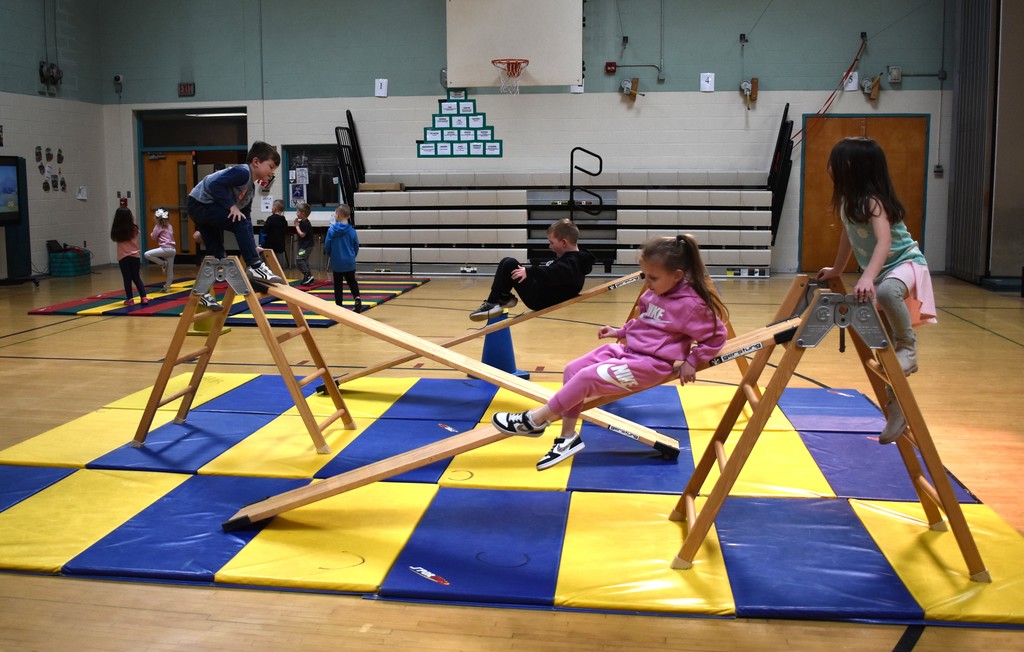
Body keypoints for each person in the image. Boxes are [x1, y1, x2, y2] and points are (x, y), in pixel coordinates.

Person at [491, 235, 729, 470]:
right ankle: (567, 438)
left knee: (586, 378)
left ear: (677, 276)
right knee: (573, 370)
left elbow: (717, 336)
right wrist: (620, 331)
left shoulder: (692, 305)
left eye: (654, 278)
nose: (648, 283)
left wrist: (692, 360)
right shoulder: (654, 292)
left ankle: (535, 420)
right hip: (628, 351)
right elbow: (645, 321)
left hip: (651, 365)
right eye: (646, 275)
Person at [816, 136, 936, 445]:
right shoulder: (847, 202)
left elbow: (884, 242)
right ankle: (896, 408)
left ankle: (909, 346)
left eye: (835, 162)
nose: (829, 167)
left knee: (884, 296)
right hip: (882, 272)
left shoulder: (873, 201)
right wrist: (837, 269)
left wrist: (868, 277)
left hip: (906, 263)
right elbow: (848, 238)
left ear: (850, 167)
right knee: (882, 347)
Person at [187, 141, 284, 311]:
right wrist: (231, 206)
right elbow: (213, 185)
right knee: (238, 221)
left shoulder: (251, 189)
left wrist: (251, 246)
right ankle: (255, 266)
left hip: (207, 207)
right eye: (270, 166)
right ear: (256, 162)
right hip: (199, 204)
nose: (272, 172)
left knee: (216, 252)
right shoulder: (242, 172)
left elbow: (246, 215)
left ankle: (201, 292)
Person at [469, 218, 595, 321]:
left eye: (552, 242)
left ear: (563, 242)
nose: (549, 246)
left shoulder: (572, 262)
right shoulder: (577, 259)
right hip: (544, 294)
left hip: (541, 298)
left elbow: (555, 272)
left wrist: (530, 272)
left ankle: (495, 301)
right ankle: (503, 297)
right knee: (508, 262)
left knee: (509, 264)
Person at [324, 204, 362, 312]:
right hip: (349, 261)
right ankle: (357, 298)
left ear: (339, 215)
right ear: (348, 216)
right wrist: (352, 255)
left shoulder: (331, 230)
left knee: (338, 284)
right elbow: (356, 245)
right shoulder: (351, 231)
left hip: (337, 262)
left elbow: (327, 245)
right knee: (352, 281)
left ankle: (339, 305)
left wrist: (331, 254)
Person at [110, 206, 149, 306]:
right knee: (136, 277)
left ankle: (130, 299)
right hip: (134, 256)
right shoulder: (134, 228)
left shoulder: (116, 230)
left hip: (123, 257)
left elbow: (114, 239)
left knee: (127, 278)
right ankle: (144, 297)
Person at [144, 207, 176, 293]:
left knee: (147, 254)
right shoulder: (170, 226)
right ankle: (167, 287)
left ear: (156, 218)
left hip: (165, 249)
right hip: (172, 250)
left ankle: (162, 263)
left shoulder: (158, 226)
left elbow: (153, 237)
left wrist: (152, 233)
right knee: (170, 271)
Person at [261, 199, 289, 266]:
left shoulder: (270, 219)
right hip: (280, 245)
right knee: (278, 263)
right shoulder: (283, 220)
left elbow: (264, 230)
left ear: (275, 207)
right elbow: (285, 231)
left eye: (272, 206)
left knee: (266, 262)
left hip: (269, 245)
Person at [294, 203, 316, 286]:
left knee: (299, 259)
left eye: (298, 212)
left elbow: (302, 234)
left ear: (303, 213)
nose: (296, 213)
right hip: (305, 246)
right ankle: (309, 277)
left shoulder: (306, 223)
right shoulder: (303, 222)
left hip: (305, 247)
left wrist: (296, 226)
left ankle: (308, 275)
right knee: (305, 261)